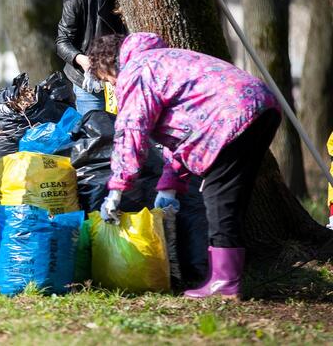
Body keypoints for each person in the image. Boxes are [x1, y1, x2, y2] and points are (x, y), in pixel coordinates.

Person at [88, 33, 281, 300]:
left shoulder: (136, 70)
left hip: (230, 115)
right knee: (231, 197)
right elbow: (182, 133)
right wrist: (170, 186)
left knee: (218, 196)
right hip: (261, 106)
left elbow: (131, 130)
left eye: (106, 79)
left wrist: (117, 189)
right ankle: (222, 276)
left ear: (108, 66)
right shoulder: (164, 60)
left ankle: (225, 282)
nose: (110, 85)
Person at [55, 0, 126, 115]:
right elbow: (62, 41)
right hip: (89, 84)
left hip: (123, 80)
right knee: (95, 133)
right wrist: (83, 61)